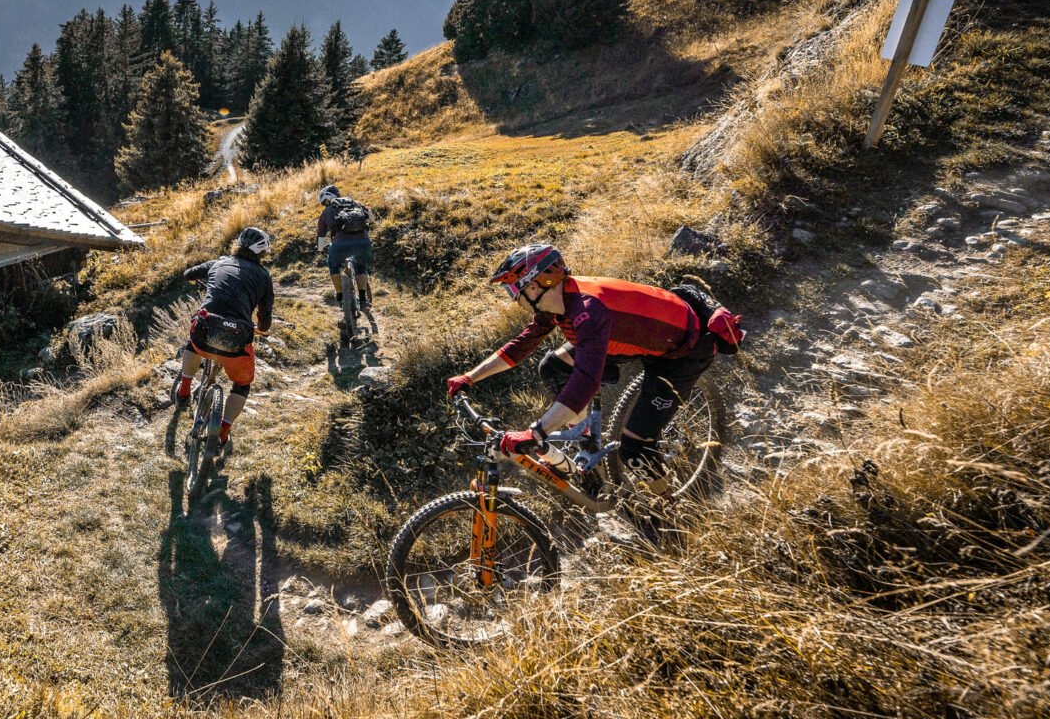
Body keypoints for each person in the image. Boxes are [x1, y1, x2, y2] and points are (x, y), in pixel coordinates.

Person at [445, 244, 743, 495]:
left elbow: (586, 380)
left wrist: (535, 432)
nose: (514, 297)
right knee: (554, 367)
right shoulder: (559, 302)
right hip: (633, 337)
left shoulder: (588, 311)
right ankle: (587, 445)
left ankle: (666, 504)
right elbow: (523, 345)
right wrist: (471, 377)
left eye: (515, 289)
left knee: (635, 449)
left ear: (539, 284)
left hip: (684, 352)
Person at [173, 225, 276, 451]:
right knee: (241, 385)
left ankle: (183, 391)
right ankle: (222, 433)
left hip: (206, 328)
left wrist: (202, 279)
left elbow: (188, 274)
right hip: (237, 340)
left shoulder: (219, 263)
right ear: (263, 253)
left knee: (193, 343)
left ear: (238, 244)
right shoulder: (264, 276)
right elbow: (265, 313)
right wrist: (263, 330)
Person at [315, 184, 373, 314]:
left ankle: (340, 297)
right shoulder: (354, 203)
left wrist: (320, 249)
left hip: (340, 244)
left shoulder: (326, 211)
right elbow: (372, 218)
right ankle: (363, 301)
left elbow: (321, 238)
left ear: (326, 199)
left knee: (333, 265)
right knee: (360, 267)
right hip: (362, 241)